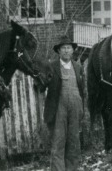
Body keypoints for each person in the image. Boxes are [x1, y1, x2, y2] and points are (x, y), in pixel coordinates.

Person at [44, 38, 85, 171]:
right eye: (63, 48)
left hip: (75, 108)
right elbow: (41, 85)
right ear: (59, 51)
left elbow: (82, 90)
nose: (66, 50)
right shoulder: (51, 66)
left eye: (69, 48)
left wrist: (81, 108)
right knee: (58, 143)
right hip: (58, 109)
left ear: (73, 50)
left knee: (74, 142)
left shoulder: (78, 67)